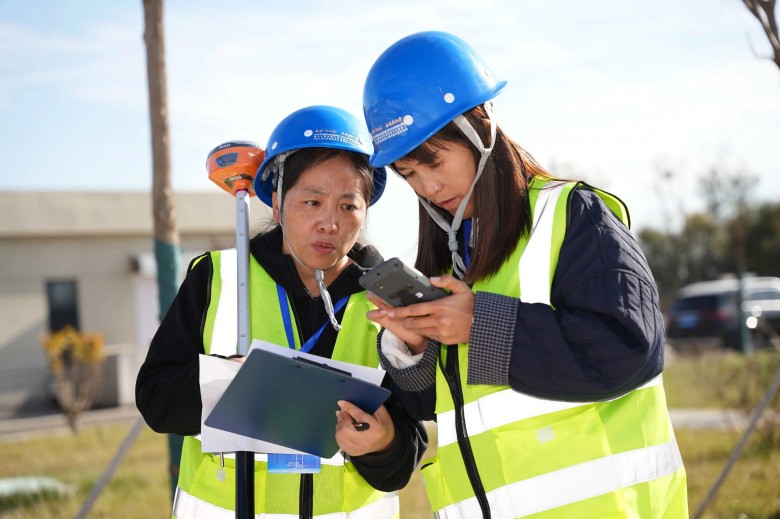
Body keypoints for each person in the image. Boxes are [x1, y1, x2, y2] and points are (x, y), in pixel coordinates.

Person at [361, 31, 688, 518]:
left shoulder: (572, 214)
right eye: (409, 174)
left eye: (432, 161)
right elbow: (447, 407)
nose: (427, 186)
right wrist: (413, 353)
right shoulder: (449, 259)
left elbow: (630, 349)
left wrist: (480, 326)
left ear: (481, 128)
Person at [136, 105, 428, 519]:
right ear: (276, 203)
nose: (330, 222)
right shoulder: (217, 278)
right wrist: (227, 382)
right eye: (312, 201)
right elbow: (156, 399)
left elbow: (403, 459)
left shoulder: (389, 299)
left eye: (349, 206)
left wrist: (381, 444)